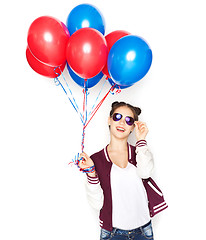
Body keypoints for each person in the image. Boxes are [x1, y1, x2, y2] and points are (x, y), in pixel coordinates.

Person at [78, 101, 155, 240]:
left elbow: (146, 173)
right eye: (117, 117)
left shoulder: (139, 152)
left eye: (128, 120)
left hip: (143, 231)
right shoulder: (96, 159)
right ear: (109, 120)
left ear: (133, 127)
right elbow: (97, 204)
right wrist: (91, 172)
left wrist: (141, 140)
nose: (122, 123)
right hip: (112, 234)